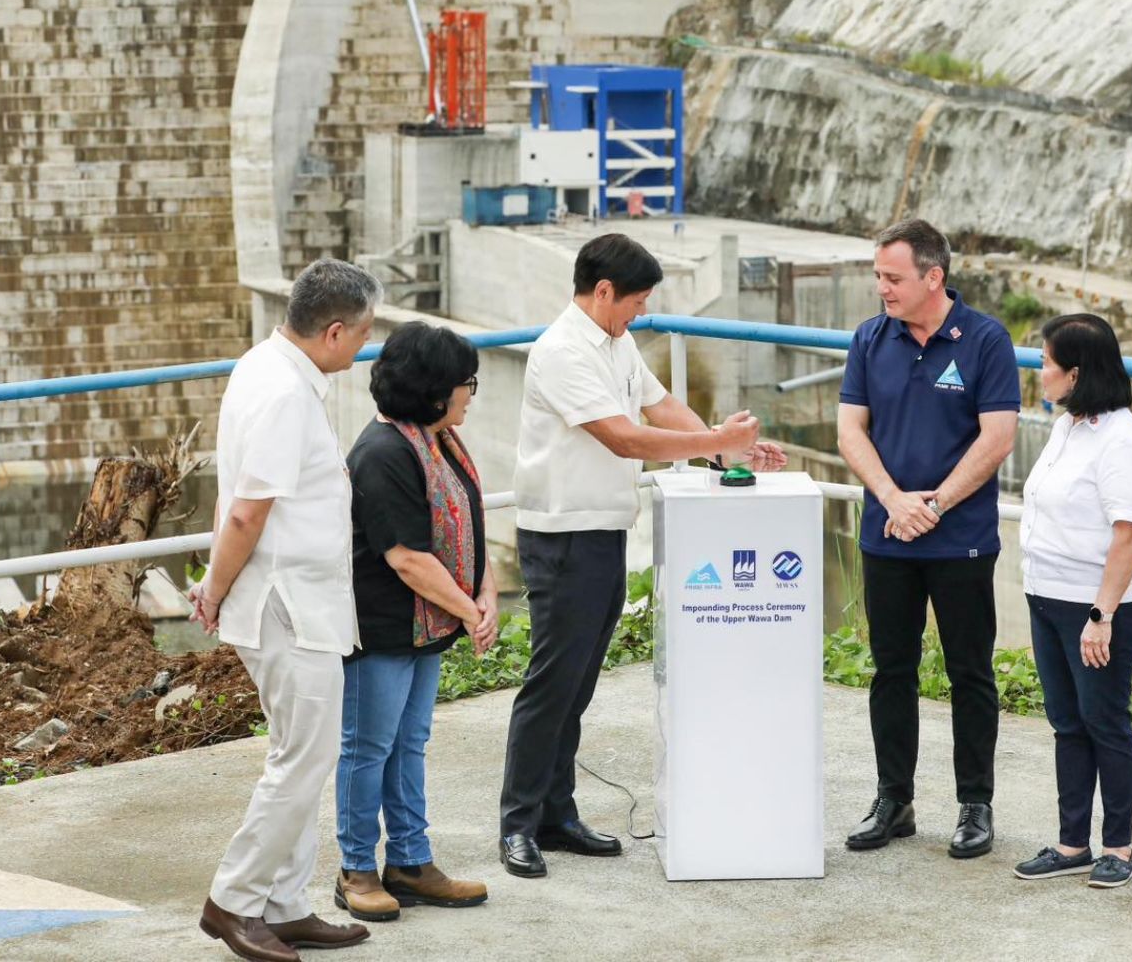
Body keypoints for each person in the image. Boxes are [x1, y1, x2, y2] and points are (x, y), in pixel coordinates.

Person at [497, 232, 786, 878]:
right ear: (604, 293)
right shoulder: (562, 352)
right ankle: (517, 823)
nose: (639, 313)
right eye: (636, 301)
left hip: (602, 531)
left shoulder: (616, 343)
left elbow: (658, 405)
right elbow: (625, 439)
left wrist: (720, 449)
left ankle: (556, 813)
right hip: (562, 535)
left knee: (578, 684)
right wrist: (716, 438)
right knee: (552, 684)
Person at [190, 258, 381, 962]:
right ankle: (234, 901)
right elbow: (246, 512)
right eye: (361, 336)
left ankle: (284, 902)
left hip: (297, 598)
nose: (361, 350)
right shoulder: (285, 396)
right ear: (333, 331)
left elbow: (237, 496)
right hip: (286, 602)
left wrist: (218, 584)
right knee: (304, 757)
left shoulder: (263, 367)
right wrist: (212, 590)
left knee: (301, 753)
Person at [836, 218, 1020, 860]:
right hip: (887, 535)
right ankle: (895, 800)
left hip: (960, 538)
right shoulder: (869, 338)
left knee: (970, 673)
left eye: (893, 277)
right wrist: (892, 499)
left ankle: (975, 805)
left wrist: (934, 505)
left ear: (932, 277)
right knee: (892, 671)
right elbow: (851, 431)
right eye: (879, 276)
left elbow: (996, 440)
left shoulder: (986, 341)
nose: (881, 288)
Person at [334, 321, 499, 922]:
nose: (470, 393)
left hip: (423, 625)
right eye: (466, 383)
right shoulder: (383, 454)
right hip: (383, 626)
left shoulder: (439, 442)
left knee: (409, 745)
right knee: (368, 748)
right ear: (435, 393)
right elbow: (405, 556)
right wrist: (468, 609)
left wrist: (485, 591)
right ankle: (355, 869)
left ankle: (409, 861)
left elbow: (469, 528)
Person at [1011, 313, 1132, 890]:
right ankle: (1073, 842)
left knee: (1105, 723)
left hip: (1097, 607)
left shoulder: (1121, 440)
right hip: (1047, 597)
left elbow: (1129, 533)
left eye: (1046, 363)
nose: (1039, 372)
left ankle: (1118, 848)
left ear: (1074, 373)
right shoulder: (1068, 426)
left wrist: (1102, 616)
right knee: (1067, 723)